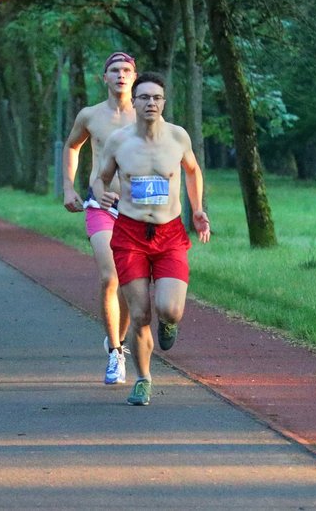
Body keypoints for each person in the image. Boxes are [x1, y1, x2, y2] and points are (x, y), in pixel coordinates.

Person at [93, 71, 211, 406]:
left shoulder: (178, 137)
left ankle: (170, 324)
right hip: (130, 234)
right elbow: (101, 179)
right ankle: (144, 379)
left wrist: (197, 209)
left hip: (169, 232)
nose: (150, 103)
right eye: (144, 97)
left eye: (156, 97)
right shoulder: (119, 141)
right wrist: (101, 195)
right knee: (141, 313)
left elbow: (192, 170)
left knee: (169, 310)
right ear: (135, 100)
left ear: (164, 101)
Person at [63, 51, 138, 385]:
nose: (120, 75)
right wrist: (68, 188)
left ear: (134, 77)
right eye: (114, 70)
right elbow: (71, 147)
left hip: (137, 209)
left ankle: (116, 340)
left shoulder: (147, 115)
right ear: (104, 78)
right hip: (100, 205)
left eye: (126, 70)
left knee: (130, 281)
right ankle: (116, 356)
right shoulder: (90, 115)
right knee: (111, 276)